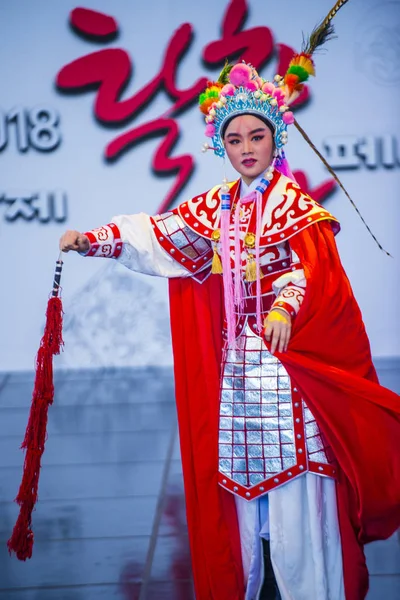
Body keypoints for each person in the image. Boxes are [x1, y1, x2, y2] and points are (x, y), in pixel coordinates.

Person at [59, 47, 400, 600]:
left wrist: (287, 306)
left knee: (298, 495)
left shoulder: (297, 207)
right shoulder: (217, 207)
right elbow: (162, 236)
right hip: (240, 371)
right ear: (221, 143)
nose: (245, 148)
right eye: (234, 139)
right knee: (246, 494)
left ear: (275, 140)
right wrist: (96, 240)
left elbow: (308, 269)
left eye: (256, 137)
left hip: (290, 373)